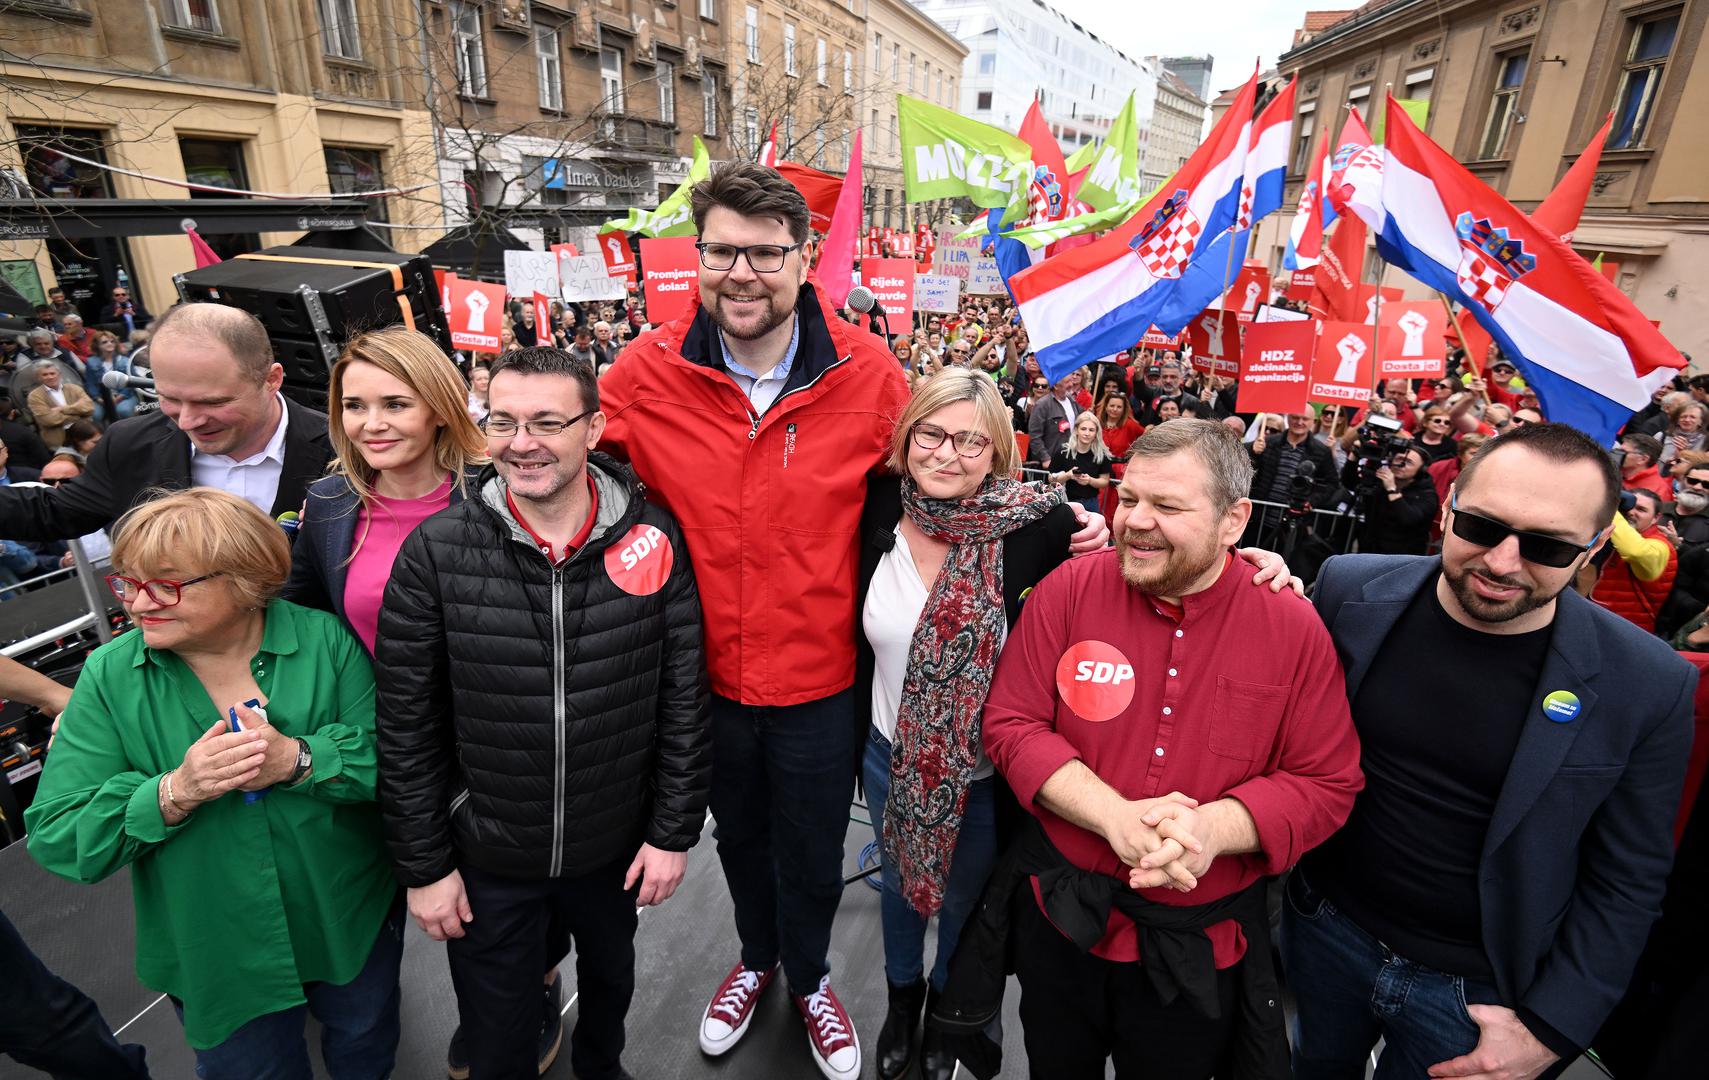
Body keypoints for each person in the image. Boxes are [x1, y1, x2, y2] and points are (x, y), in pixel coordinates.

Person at [597, 162, 1099, 1080]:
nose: (740, 272)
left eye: (764, 253)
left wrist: (1082, 527)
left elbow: (950, 476)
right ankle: (758, 961)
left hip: (823, 681)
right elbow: (561, 472)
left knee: (814, 846)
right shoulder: (642, 373)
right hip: (702, 681)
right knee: (738, 840)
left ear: (804, 260)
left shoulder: (869, 373)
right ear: (695, 254)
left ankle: (816, 977)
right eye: (720, 251)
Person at [1294, 423, 1697, 1080]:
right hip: (1323, 929)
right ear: (1448, 508)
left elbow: (1627, 879)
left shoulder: (1646, 683)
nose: (1503, 561)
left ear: (1594, 546)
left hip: (1477, 993)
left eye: (1545, 545)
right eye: (1481, 526)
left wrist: (1549, 1029)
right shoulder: (1347, 590)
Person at [974, 419, 1364, 1079]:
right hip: (1061, 923)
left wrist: (1211, 828)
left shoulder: (1292, 627)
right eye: (1127, 498)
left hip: (1199, 948)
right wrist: (1114, 818)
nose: (1134, 521)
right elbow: (1011, 723)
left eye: (1167, 506)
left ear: (1233, 520)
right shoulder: (1070, 591)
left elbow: (1325, 781)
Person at [375, 346, 709, 1080]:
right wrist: (426, 865)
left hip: (614, 847)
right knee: (496, 1040)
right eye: (503, 421)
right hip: (489, 855)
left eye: (547, 422)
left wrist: (671, 831)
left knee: (610, 994)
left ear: (592, 429)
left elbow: (683, 697)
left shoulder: (653, 537)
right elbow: (404, 726)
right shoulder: (436, 553)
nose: (521, 443)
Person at [25, 487, 402, 1080]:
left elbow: (396, 765)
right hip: (214, 945)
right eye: (125, 581)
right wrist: (174, 792)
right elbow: (59, 833)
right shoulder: (109, 677)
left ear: (246, 580)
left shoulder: (327, 641)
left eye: (166, 584)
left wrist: (298, 760)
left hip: (347, 915)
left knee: (365, 1047)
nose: (138, 602)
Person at [856, 369, 1079, 1080]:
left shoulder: (1040, 524)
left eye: (969, 440)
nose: (946, 454)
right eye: (931, 433)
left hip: (986, 774)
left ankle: (949, 1017)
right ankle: (901, 1002)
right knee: (898, 890)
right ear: (907, 434)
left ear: (998, 454)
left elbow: (1133, 572)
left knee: (965, 904)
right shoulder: (874, 506)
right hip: (887, 755)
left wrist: (1258, 565)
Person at [0, 302, 333, 540]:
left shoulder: (342, 447)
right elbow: (55, 513)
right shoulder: (129, 443)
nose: (187, 421)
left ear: (271, 379)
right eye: (170, 398)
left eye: (211, 402)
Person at [1591, 487, 1676, 633]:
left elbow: (1636, 552)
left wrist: (1610, 509)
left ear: (1656, 518)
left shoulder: (1661, 545)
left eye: (1641, 509)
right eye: (1628, 507)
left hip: (1629, 630)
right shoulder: (1612, 536)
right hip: (1601, 619)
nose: (1631, 512)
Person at [1352, 444, 1439, 555]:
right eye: (1398, 459)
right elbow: (1349, 483)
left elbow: (1409, 519)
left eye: (1408, 462)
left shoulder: (1428, 495)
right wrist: (1354, 454)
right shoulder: (1379, 482)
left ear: (1421, 470)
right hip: (1369, 550)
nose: (1400, 465)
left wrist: (1392, 490)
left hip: (1402, 557)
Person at [1049, 411, 1115, 513]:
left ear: (1096, 433)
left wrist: (1090, 480)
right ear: (1076, 430)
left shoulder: (1101, 454)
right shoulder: (1063, 452)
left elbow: (1105, 481)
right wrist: (1068, 475)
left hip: (1092, 503)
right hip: (1067, 502)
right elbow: (1051, 478)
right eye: (1083, 429)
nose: (1087, 433)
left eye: (1091, 430)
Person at [25, 358, 96, 450]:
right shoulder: (34, 396)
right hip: (59, 439)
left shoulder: (74, 388)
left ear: (59, 374)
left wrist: (62, 409)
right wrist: (78, 413)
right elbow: (47, 420)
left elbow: (90, 408)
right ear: (39, 377)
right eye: (45, 374)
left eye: (52, 373)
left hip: (85, 434)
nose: (50, 377)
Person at [1026, 371, 1080, 466]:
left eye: (1071, 382)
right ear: (1055, 385)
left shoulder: (1072, 401)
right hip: (1050, 462)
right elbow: (1034, 436)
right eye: (1067, 382)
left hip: (1070, 459)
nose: (1071, 384)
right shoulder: (1042, 405)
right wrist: (1045, 458)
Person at [1618, 432, 1673, 503]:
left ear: (1642, 459)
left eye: (1623, 452)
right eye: (1618, 450)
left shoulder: (1659, 490)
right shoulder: (1611, 472)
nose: (1617, 454)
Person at [1657, 400, 1706, 467]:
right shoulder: (1661, 436)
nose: (1687, 420)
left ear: (1701, 421)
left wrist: (1684, 454)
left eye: (1692, 417)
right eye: (1683, 416)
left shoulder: (1706, 442)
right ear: (1677, 420)